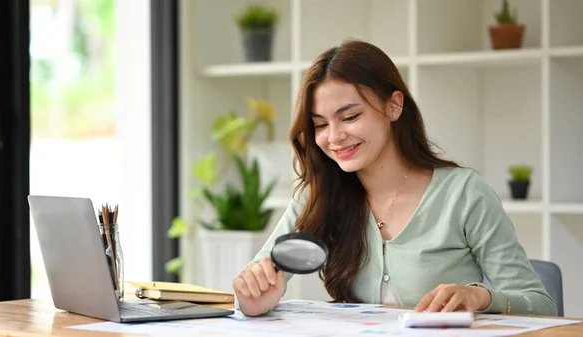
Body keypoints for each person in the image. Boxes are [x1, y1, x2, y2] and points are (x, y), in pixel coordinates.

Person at [231, 39, 557, 318]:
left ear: (394, 106)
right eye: (320, 124)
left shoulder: (464, 194)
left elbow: (542, 307)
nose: (334, 137)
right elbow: (253, 286)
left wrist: (480, 297)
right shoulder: (317, 196)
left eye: (350, 117)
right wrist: (254, 300)